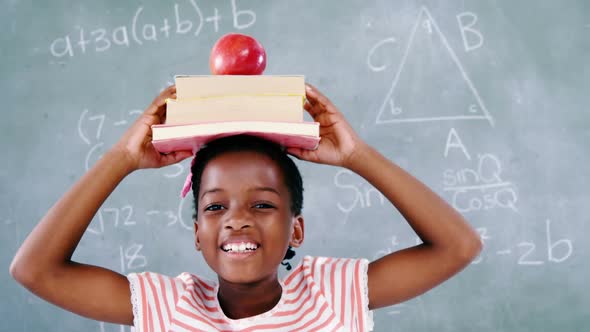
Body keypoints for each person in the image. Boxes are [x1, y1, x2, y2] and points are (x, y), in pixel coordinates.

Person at [10, 84, 482, 331]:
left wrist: (358, 156)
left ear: (296, 230)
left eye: (262, 204)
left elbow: (458, 247)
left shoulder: (331, 296)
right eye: (215, 208)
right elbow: (34, 270)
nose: (237, 218)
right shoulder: (169, 307)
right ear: (197, 233)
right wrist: (120, 159)